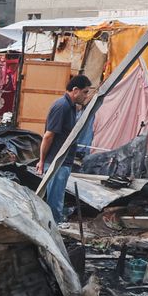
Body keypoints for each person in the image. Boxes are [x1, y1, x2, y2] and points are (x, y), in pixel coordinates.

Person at [36, 75, 95, 223]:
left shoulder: (71, 107)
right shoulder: (62, 106)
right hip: (57, 162)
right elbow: (48, 136)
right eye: (85, 92)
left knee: (57, 199)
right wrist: (42, 161)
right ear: (75, 90)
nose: (86, 96)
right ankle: (52, 230)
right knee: (55, 202)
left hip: (63, 161)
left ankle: (53, 227)